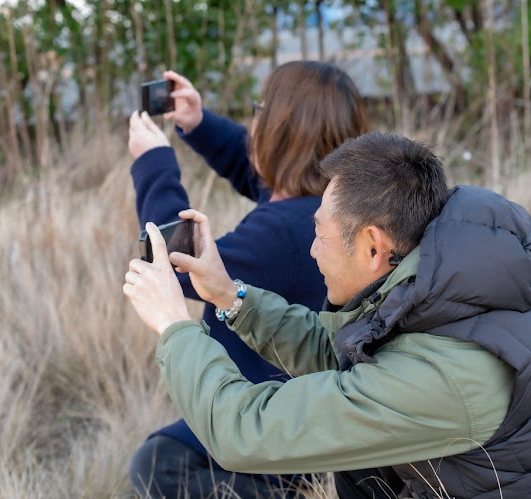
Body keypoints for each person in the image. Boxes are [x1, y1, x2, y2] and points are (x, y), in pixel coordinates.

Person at [123, 132, 531, 498]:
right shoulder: (444, 276)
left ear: (374, 247)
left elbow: (243, 433)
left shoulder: (447, 373)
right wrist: (228, 296)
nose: (311, 251)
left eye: (320, 236)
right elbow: (337, 349)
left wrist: (175, 327)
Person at [126, 61, 368, 498]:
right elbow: (257, 172)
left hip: (270, 424)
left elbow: (177, 261)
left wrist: (154, 164)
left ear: (277, 130)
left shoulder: (279, 235)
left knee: (157, 466)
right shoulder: (324, 210)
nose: (251, 120)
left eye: (259, 109)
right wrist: (199, 125)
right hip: (303, 411)